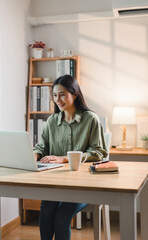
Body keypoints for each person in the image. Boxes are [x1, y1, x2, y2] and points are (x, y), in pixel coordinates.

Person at [33, 74, 108, 240]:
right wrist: (35, 154)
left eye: (62, 94)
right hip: (57, 184)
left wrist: (64, 158)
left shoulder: (91, 119)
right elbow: (41, 146)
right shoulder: (52, 121)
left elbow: (99, 152)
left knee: (61, 216)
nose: (57, 99)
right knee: (46, 210)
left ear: (74, 94)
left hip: (85, 186)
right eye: (54, 95)